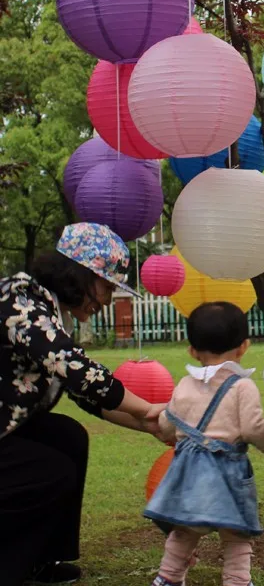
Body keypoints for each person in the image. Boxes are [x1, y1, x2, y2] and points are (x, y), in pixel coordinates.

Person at [0, 222, 167, 586]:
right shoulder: (20, 300)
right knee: (49, 471)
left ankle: (42, 562)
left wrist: (149, 425)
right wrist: (148, 408)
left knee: (69, 437)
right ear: (80, 274)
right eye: (107, 287)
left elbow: (85, 396)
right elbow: (79, 372)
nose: (107, 300)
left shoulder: (50, 313)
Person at [145, 301, 264, 586]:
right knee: (237, 536)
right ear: (244, 346)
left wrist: (173, 432)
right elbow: (253, 427)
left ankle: (168, 578)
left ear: (192, 350)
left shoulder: (184, 384)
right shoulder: (242, 387)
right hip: (228, 475)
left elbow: (168, 423)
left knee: (183, 531)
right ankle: (236, 581)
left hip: (188, 474)